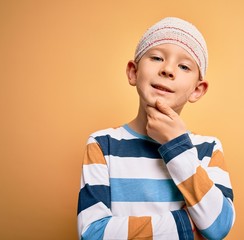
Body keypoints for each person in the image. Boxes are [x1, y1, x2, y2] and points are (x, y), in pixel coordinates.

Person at [77, 17, 235, 240]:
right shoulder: (102, 144)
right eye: (157, 57)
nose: (168, 69)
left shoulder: (208, 149)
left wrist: (176, 145)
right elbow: (92, 233)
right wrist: (186, 225)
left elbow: (218, 225)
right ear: (133, 72)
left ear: (197, 90)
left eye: (184, 66)